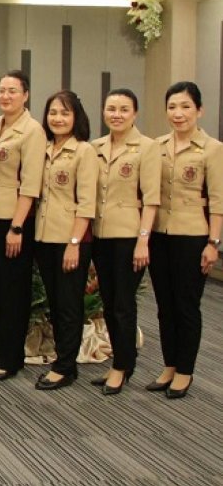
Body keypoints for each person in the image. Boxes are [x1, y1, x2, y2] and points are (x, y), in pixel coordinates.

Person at [147, 81, 223, 399]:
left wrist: (213, 243)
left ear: (199, 110)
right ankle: (169, 365)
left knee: (186, 305)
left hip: (193, 236)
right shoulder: (158, 146)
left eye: (185, 107)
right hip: (159, 235)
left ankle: (186, 370)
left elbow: (218, 201)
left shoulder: (212, 149)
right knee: (164, 305)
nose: (178, 114)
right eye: (172, 107)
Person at [89, 89, 160, 395]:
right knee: (109, 302)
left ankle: (123, 366)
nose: (116, 114)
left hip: (130, 237)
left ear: (135, 113)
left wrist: (143, 241)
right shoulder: (96, 147)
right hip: (101, 236)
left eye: (123, 109)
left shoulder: (147, 148)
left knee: (122, 304)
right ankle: (118, 361)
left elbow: (152, 200)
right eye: (111, 108)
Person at [0, 70, 45, 382]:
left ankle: (10, 358)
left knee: (13, 291)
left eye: (12, 91)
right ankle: (2, 352)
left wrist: (17, 227)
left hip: (14, 221)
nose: (5, 96)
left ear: (26, 95)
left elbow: (31, 185)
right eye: (1, 90)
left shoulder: (32, 131)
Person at [33, 90, 98, 391]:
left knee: (69, 304)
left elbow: (87, 203)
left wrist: (74, 242)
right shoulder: (43, 148)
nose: (57, 118)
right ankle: (63, 359)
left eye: (65, 113)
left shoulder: (84, 151)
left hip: (71, 240)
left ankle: (66, 367)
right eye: (53, 113)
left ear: (76, 118)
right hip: (44, 237)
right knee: (56, 303)